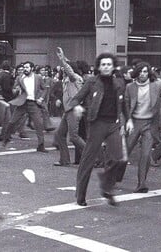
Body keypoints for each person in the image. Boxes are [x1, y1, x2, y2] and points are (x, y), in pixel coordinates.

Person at [67, 53, 126, 206]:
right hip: (97, 123)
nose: (106, 67)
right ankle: (80, 195)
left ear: (113, 67)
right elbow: (76, 98)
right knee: (88, 159)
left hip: (114, 124)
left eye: (109, 64)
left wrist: (129, 120)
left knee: (117, 158)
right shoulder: (91, 82)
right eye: (103, 64)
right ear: (99, 67)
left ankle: (106, 187)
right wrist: (77, 106)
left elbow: (124, 105)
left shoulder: (119, 83)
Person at [124, 62, 161, 192]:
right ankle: (115, 175)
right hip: (134, 123)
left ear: (149, 73)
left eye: (145, 71)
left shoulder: (156, 86)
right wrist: (127, 120)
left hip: (150, 124)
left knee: (145, 155)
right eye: (140, 71)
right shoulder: (130, 87)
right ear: (136, 73)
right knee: (125, 152)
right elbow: (125, 105)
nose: (142, 74)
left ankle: (142, 184)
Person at [0, 61, 50, 152]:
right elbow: (14, 89)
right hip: (22, 103)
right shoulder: (20, 78)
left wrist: (41, 98)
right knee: (12, 121)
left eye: (27, 67)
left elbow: (45, 88)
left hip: (33, 103)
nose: (25, 69)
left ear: (32, 68)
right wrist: (16, 90)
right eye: (24, 68)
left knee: (38, 124)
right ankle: (6, 138)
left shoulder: (38, 77)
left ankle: (41, 145)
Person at [53, 47, 86, 166]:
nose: (62, 70)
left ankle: (93, 155)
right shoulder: (67, 79)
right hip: (68, 109)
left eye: (64, 68)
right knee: (59, 134)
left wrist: (62, 59)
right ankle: (65, 159)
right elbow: (69, 68)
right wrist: (64, 60)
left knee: (74, 137)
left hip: (74, 109)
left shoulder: (74, 78)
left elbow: (70, 70)